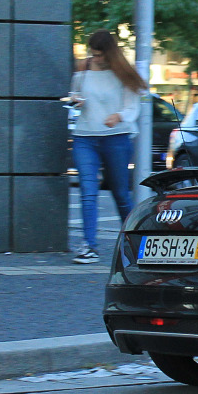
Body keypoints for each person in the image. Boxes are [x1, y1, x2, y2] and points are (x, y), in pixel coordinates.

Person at [66, 30, 144, 263]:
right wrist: (75, 100)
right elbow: (74, 93)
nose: (95, 59)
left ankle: (135, 246)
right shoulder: (84, 68)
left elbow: (133, 107)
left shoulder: (123, 74)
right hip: (84, 136)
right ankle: (89, 246)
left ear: (110, 52)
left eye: (99, 55)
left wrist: (118, 116)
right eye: (93, 54)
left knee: (120, 194)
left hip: (116, 137)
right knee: (87, 192)